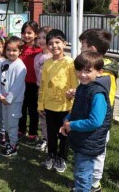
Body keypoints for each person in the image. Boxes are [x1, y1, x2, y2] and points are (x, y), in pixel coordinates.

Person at [70, 28, 118, 191]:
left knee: (95, 158)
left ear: (91, 49)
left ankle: (93, 184)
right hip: (88, 122)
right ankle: (86, 181)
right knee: (88, 162)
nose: (80, 48)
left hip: (97, 126)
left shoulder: (105, 75)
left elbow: (102, 102)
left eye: (82, 45)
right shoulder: (93, 75)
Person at [60, 51, 111, 191]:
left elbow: (95, 121)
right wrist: (67, 121)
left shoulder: (97, 94)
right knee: (80, 170)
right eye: (79, 70)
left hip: (89, 140)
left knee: (83, 173)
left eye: (88, 71)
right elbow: (78, 109)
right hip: (82, 138)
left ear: (99, 72)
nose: (82, 74)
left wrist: (72, 125)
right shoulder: (83, 87)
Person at [37, 29, 78, 173]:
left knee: (64, 135)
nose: (54, 46)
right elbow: (42, 85)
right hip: (49, 106)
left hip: (65, 107)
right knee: (51, 134)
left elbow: (74, 86)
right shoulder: (47, 63)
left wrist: (73, 105)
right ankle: (51, 155)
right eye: (50, 43)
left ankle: (62, 158)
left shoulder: (70, 63)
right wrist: (41, 104)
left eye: (57, 42)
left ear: (64, 43)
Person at [0, 36, 27, 157]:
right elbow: (0, 80)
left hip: (14, 101)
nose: (11, 53)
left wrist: (8, 99)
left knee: (13, 123)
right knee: (6, 121)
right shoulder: (4, 63)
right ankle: (11, 141)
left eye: (14, 50)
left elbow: (17, 86)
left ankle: (13, 145)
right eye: (9, 50)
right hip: (3, 99)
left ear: (20, 51)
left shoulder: (21, 67)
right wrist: (0, 95)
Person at [18, 21, 42, 143]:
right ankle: (21, 129)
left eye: (29, 33)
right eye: (24, 33)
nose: (26, 35)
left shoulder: (39, 50)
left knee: (33, 110)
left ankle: (33, 133)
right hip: (21, 84)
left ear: (36, 34)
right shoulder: (19, 48)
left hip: (34, 85)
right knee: (21, 108)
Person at [33, 26, 52, 152]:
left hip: (52, 93)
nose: (41, 40)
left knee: (52, 118)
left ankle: (53, 139)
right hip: (40, 90)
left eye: (44, 38)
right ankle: (45, 138)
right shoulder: (37, 57)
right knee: (42, 116)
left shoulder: (53, 57)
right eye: (38, 37)